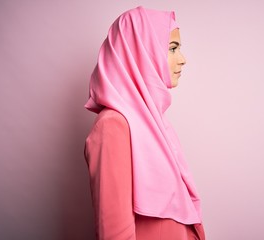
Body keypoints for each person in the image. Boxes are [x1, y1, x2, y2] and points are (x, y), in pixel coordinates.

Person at [84, 6, 205, 240]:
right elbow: (114, 233)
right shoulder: (113, 126)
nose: (183, 59)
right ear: (141, 51)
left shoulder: (154, 122)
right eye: (172, 48)